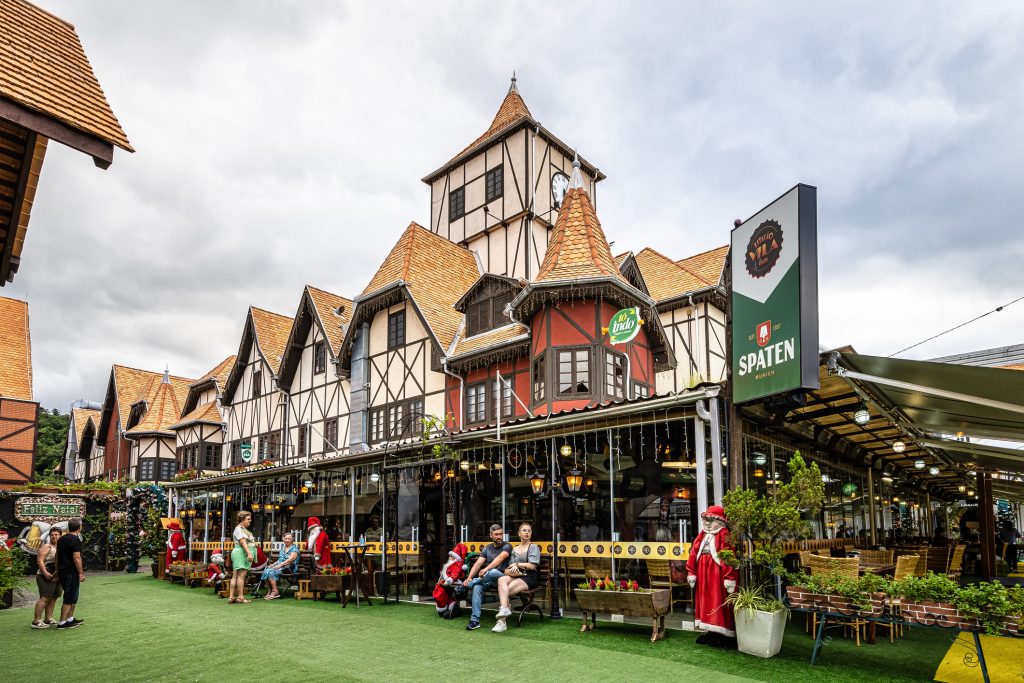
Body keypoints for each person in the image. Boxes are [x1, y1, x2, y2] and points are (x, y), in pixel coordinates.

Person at [685, 505, 737, 647]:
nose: (707, 523)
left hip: (717, 574)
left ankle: (722, 633)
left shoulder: (724, 533)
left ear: (720, 521)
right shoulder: (702, 534)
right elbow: (693, 552)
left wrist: (729, 577)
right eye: (705, 520)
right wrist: (691, 571)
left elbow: (728, 555)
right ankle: (709, 630)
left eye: (711, 520)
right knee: (705, 600)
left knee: (717, 599)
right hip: (703, 573)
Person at [492, 522, 540, 633]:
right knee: (501, 579)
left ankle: (502, 622)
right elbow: (510, 566)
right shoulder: (515, 549)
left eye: (529, 531)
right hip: (516, 574)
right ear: (519, 533)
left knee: (505, 591)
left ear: (531, 533)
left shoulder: (533, 547)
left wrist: (517, 565)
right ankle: (504, 610)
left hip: (529, 576)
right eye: (524, 530)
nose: (526, 533)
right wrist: (512, 568)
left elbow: (532, 565)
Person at [462, 524, 511, 631]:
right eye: (496, 534)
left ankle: (469, 584)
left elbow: (500, 558)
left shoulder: (507, 546)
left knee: (493, 571)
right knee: (477, 587)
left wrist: (485, 569)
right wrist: (469, 577)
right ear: (491, 535)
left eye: (501, 534)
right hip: (488, 580)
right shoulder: (487, 548)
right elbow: (478, 564)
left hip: (502, 580)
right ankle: (475, 620)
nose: (499, 537)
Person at [55, 517, 85, 629]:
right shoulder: (75, 540)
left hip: (63, 571)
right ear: (80, 527)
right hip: (70, 572)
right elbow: (76, 557)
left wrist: (57, 570)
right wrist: (81, 573)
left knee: (73, 595)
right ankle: (62, 623)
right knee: (69, 596)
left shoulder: (61, 539)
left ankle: (70, 618)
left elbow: (57, 556)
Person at [31, 526, 63, 628]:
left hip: (57, 576)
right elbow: (40, 561)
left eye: (56, 535)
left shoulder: (60, 547)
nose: (54, 537)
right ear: (49, 536)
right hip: (45, 576)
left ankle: (48, 618)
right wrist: (45, 573)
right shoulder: (47, 547)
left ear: (60, 535)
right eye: (52, 535)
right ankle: (36, 621)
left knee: (53, 597)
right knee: (45, 598)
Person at [261, 533, 300, 600]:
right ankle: (270, 591)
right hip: (281, 566)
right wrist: (273, 564)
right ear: (283, 539)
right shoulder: (283, 547)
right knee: (266, 570)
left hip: (289, 567)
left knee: (271, 572)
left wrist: (280, 565)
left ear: (292, 540)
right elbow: (280, 559)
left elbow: (291, 559)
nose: (287, 540)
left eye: (289, 539)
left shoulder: (294, 548)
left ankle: (275, 591)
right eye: (286, 538)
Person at [228, 511, 255, 604]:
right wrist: (249, 553)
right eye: (248, 519)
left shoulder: (240, 529)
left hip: (239, 552)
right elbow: (243, 542)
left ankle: (231, 597)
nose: (250, 521)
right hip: (241, 553)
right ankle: (240, 597)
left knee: (235, 575)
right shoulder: (240, 529)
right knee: (241, 576)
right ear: (242, 519)